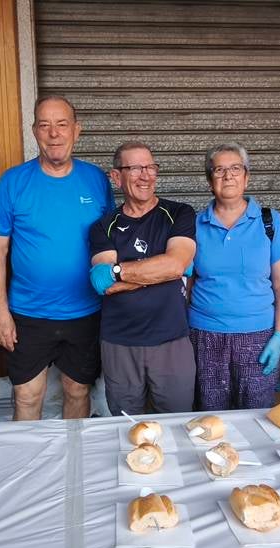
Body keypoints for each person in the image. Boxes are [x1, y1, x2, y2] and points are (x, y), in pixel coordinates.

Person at [0, 95, 114, 420]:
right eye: (45, 125)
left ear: (77, 130)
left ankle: (73, 467)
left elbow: (113, 240)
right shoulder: (13, 181)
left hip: (85, 312)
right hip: (28, 313)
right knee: (27, 397)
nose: (54, 133)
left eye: (62, 124)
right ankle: (30, 469)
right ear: (34, 131)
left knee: (77, 390)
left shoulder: (96, 180)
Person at [89, 142, 196, 415]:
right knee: (126, 426)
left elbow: (174, 264)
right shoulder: (103, 226)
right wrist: (162, 271)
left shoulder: (179, 213)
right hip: (120, 343)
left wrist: (117, 269)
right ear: (116, 177)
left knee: (177, 423)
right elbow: (104, 285)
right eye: (135, 168)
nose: (145, 175)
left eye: (150, 167)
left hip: (171, 340)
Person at [188, 143, 280, 410]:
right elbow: (186, 284)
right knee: (210, 416)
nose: (228, 176)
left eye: (235, 168)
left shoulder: (270, 221)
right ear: (209, 179)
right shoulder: (193, 225)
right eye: (219, 170)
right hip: (204, 335)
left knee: (256, 415)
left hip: (257, 335)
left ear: (246, 176)